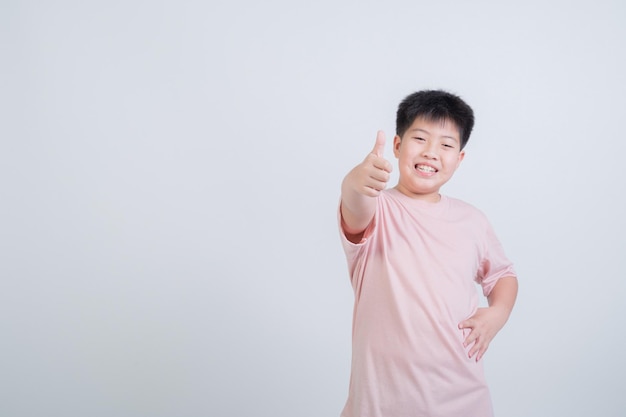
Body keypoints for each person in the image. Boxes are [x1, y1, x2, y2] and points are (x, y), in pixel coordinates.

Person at [338, 90, 518, 417]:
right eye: (420, 139)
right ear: (397, 146)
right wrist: (355, 182)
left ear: (459, 158)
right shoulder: (378, 209)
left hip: (462, 398)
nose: (432, 152)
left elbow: (502, 275)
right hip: (382, 404)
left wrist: (498, 313)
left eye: (446, 145)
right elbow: (354, 203)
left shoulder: (472, 220)